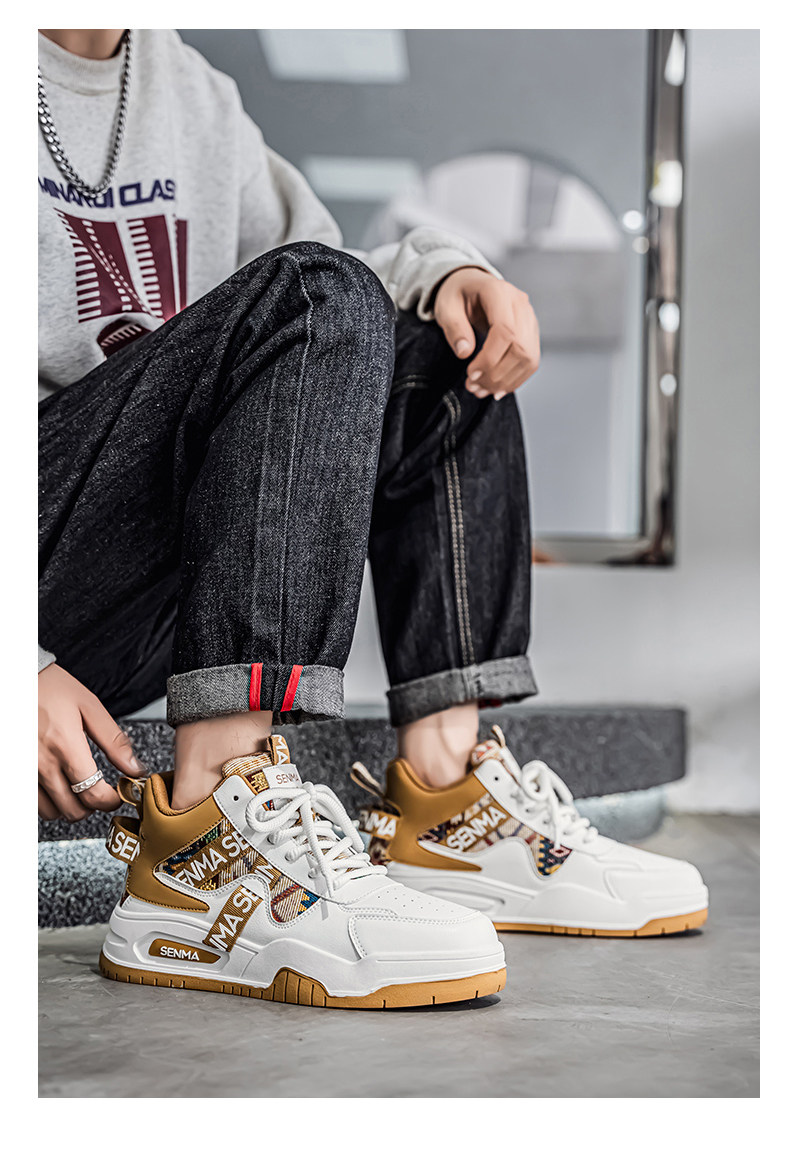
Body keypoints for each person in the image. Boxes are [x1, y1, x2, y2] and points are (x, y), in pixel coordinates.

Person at [38, 28, 708, 1010]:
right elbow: (310, 293)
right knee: (317, 299)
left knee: (438, 347)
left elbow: (336, 284)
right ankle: (206, 838)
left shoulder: (186, 86)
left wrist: (448, 271)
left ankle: (447, 803)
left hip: (120, 597)